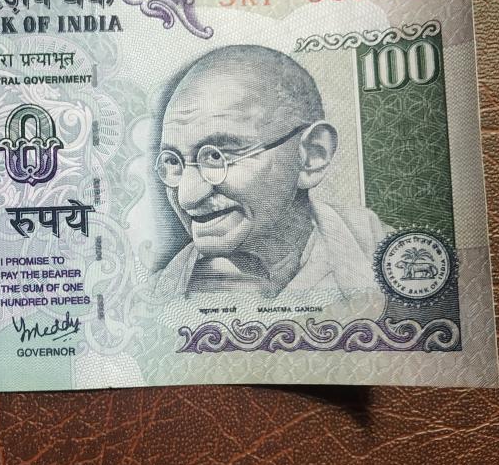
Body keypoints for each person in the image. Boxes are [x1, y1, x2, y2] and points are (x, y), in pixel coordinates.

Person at [152, 44, 388, 300]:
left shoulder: (388, 260)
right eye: (173, 161)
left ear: (311, 156)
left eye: (217, 156)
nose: (187, 197)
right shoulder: (151, 299)